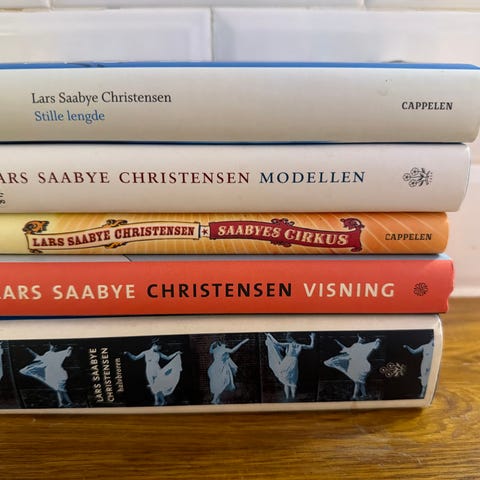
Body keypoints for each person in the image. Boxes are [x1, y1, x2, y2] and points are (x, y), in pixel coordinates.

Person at [124, 342, 182, 406]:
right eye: (159, 347)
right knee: (154, 387)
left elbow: (167, 357)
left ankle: (158, 401)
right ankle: (162, 401)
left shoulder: (159, 353)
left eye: (160, 348)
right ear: (154, 345)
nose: (159, 349)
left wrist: (176, 353)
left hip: (158, 371)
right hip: (149, 371)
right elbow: (135, 358)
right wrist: (128, 353)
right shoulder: (145, 352)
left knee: (157, 386)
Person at [324, 335, 380, 400]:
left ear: (364, 340)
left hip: (362, 366)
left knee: (357, 382)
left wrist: (377, 341)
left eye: (363, 338)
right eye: (360, 337)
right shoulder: (356, 345)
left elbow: (375, 347)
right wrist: (338, 343)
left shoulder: (364, 347)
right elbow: (346, 349)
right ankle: (364, 395)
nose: (361, 339)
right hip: (359, 365)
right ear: (358, 337)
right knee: (360, 382)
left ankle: (355, 396)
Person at [265, 332, 315, 400]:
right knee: (291, 381)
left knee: (288, 381)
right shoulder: (299, 345)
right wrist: (312, 338)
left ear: (292, 338)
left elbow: (277, 343)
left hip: (289, 362)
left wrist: (269, 335)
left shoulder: (290, 344)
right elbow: (311, 346)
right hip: (292, 362)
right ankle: (290, 398)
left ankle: (289, 398)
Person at [208, 338, 249, 405]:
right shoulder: (223, 349)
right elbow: (233, 350)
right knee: (225, 382)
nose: (226, 345)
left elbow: (210, 351)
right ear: (221, 344)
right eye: (224, 344)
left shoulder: (216, 349)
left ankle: (217, 399)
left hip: (214, 368)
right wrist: (242, 343)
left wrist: (212, 345)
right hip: (220, 368)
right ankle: (214, 399)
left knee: (220, 383)